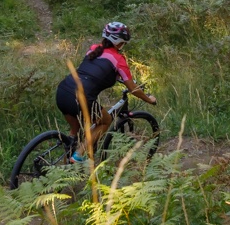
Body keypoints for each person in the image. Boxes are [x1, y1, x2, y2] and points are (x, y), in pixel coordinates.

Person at [55, 22, 156, 161]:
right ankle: (78, 155)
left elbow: (94, 69)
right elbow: (133, 89)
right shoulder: (119, 60)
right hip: (81, 97)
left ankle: (65, 161)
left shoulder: (93, 49)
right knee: (105, 121)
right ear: (120, 43)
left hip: (63, 91)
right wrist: (149, 99)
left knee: (75, 132)